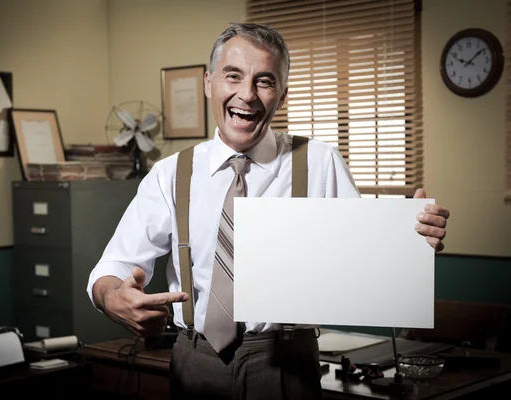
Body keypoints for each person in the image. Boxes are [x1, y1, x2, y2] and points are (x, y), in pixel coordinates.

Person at [87, 22, 450, 400]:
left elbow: (366, 264)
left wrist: (411, 243)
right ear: (209, 83)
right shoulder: (169, 175)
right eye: (233, 76)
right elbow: (110, 268)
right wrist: (113, 298)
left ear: (283, 95)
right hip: (195, 361)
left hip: (286, 365)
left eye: (265, 81)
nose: (247, 95)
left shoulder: (320, 163)